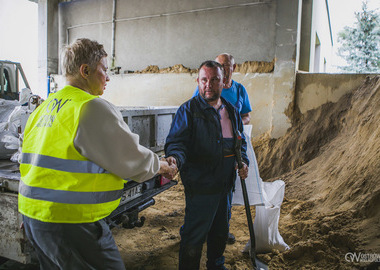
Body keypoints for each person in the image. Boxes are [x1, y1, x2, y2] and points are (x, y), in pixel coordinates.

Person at [18, 38, 177, 270]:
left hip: (34, 216)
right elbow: (132, 160)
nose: (108, 77)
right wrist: (164, 166)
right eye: (104, 69)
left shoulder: (43, 109)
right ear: (85, 70)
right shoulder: (89, 107)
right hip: (70, 222)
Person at [165, 60, 249, 270]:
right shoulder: (188, 110)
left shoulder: (231, 111)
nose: (208, 85)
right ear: (198, 81)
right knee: (194, 235)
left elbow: (240, 142)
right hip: (201, 185)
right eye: (204, 80)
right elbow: (177, 143)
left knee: (220, 232)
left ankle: (216, 265)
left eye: (214, 80)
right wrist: (175, 158)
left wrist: (243, 162)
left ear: (224, 82)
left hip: (225, 185)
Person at [193, 53, 252, 244]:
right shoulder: (207, 88)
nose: (223, 68)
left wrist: (232, 123)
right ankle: (198, 231)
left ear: (234, 68)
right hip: (207, 148)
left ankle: (221, 231)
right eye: (219, 65)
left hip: (229, 148)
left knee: (226, 191)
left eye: (227, 65)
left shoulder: (239, 90)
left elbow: (246, 116)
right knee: (204, 192)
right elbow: (194, 110)